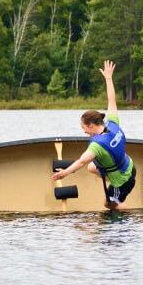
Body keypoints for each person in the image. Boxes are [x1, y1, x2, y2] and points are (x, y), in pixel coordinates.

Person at [51, 60, 136, 210]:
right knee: (92, 167)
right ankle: (111, 179)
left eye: (84, 127)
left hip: (122, 181)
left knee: (109, 204)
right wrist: (108, 79)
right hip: (130, 165)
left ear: (91, 125)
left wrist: (64, 173)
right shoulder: (112, 124)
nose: (83, 131)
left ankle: (132, 216)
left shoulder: (97, 146)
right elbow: (112, 100)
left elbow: (81, 161)